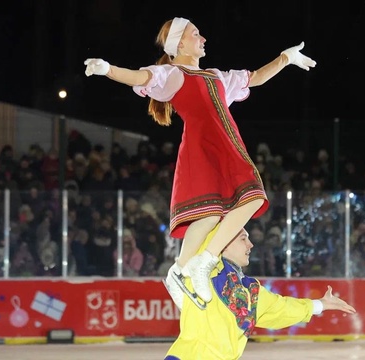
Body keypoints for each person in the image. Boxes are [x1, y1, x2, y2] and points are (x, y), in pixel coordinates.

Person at [84, 17, 317, 307]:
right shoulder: (172, 74)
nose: (203, 38)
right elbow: (139, 77)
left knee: (209, 215)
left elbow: (254, 77)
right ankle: (203, 262)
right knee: (253, 198)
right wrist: (107, 69)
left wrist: (286, 58)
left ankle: (180, 271)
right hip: (204, 148)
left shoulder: (216, 76)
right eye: (196, 34)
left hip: (226, 145)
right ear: (179, 43)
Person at [164, 226, 356, 359]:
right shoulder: (204, 269)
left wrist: (321, 304)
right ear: (222, 243)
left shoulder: (251, 289)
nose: (250, 244)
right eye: (243, 238)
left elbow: (281, 308)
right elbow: (210, 226)